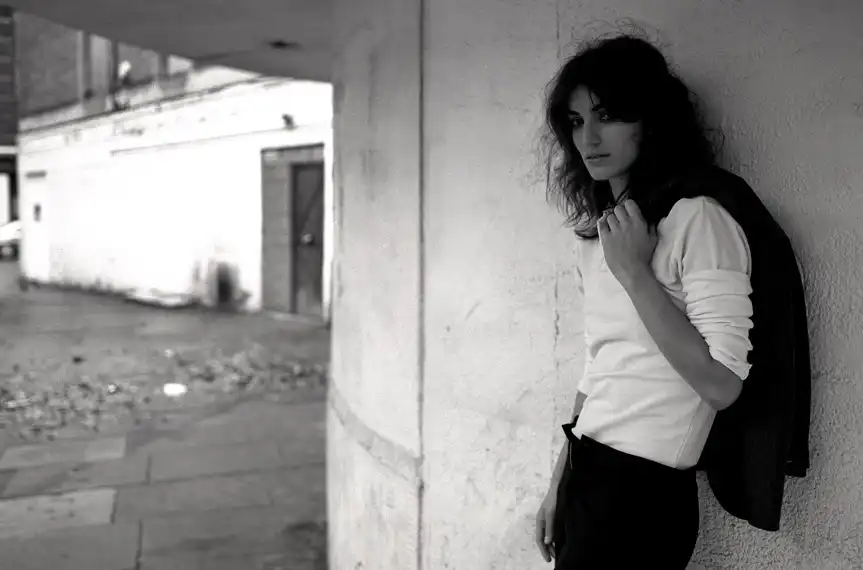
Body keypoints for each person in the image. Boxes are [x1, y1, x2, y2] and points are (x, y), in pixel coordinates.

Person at [534, 34, 756, 568]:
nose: (588, 137)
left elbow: (722, 385)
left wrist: (636, 275)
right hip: (587, 473)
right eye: (576, 121)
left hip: (643, 497)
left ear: (650, 121)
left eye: (607, 116)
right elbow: (600, 368)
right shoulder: (600, 237)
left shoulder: (698, 220)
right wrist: (558, 482)